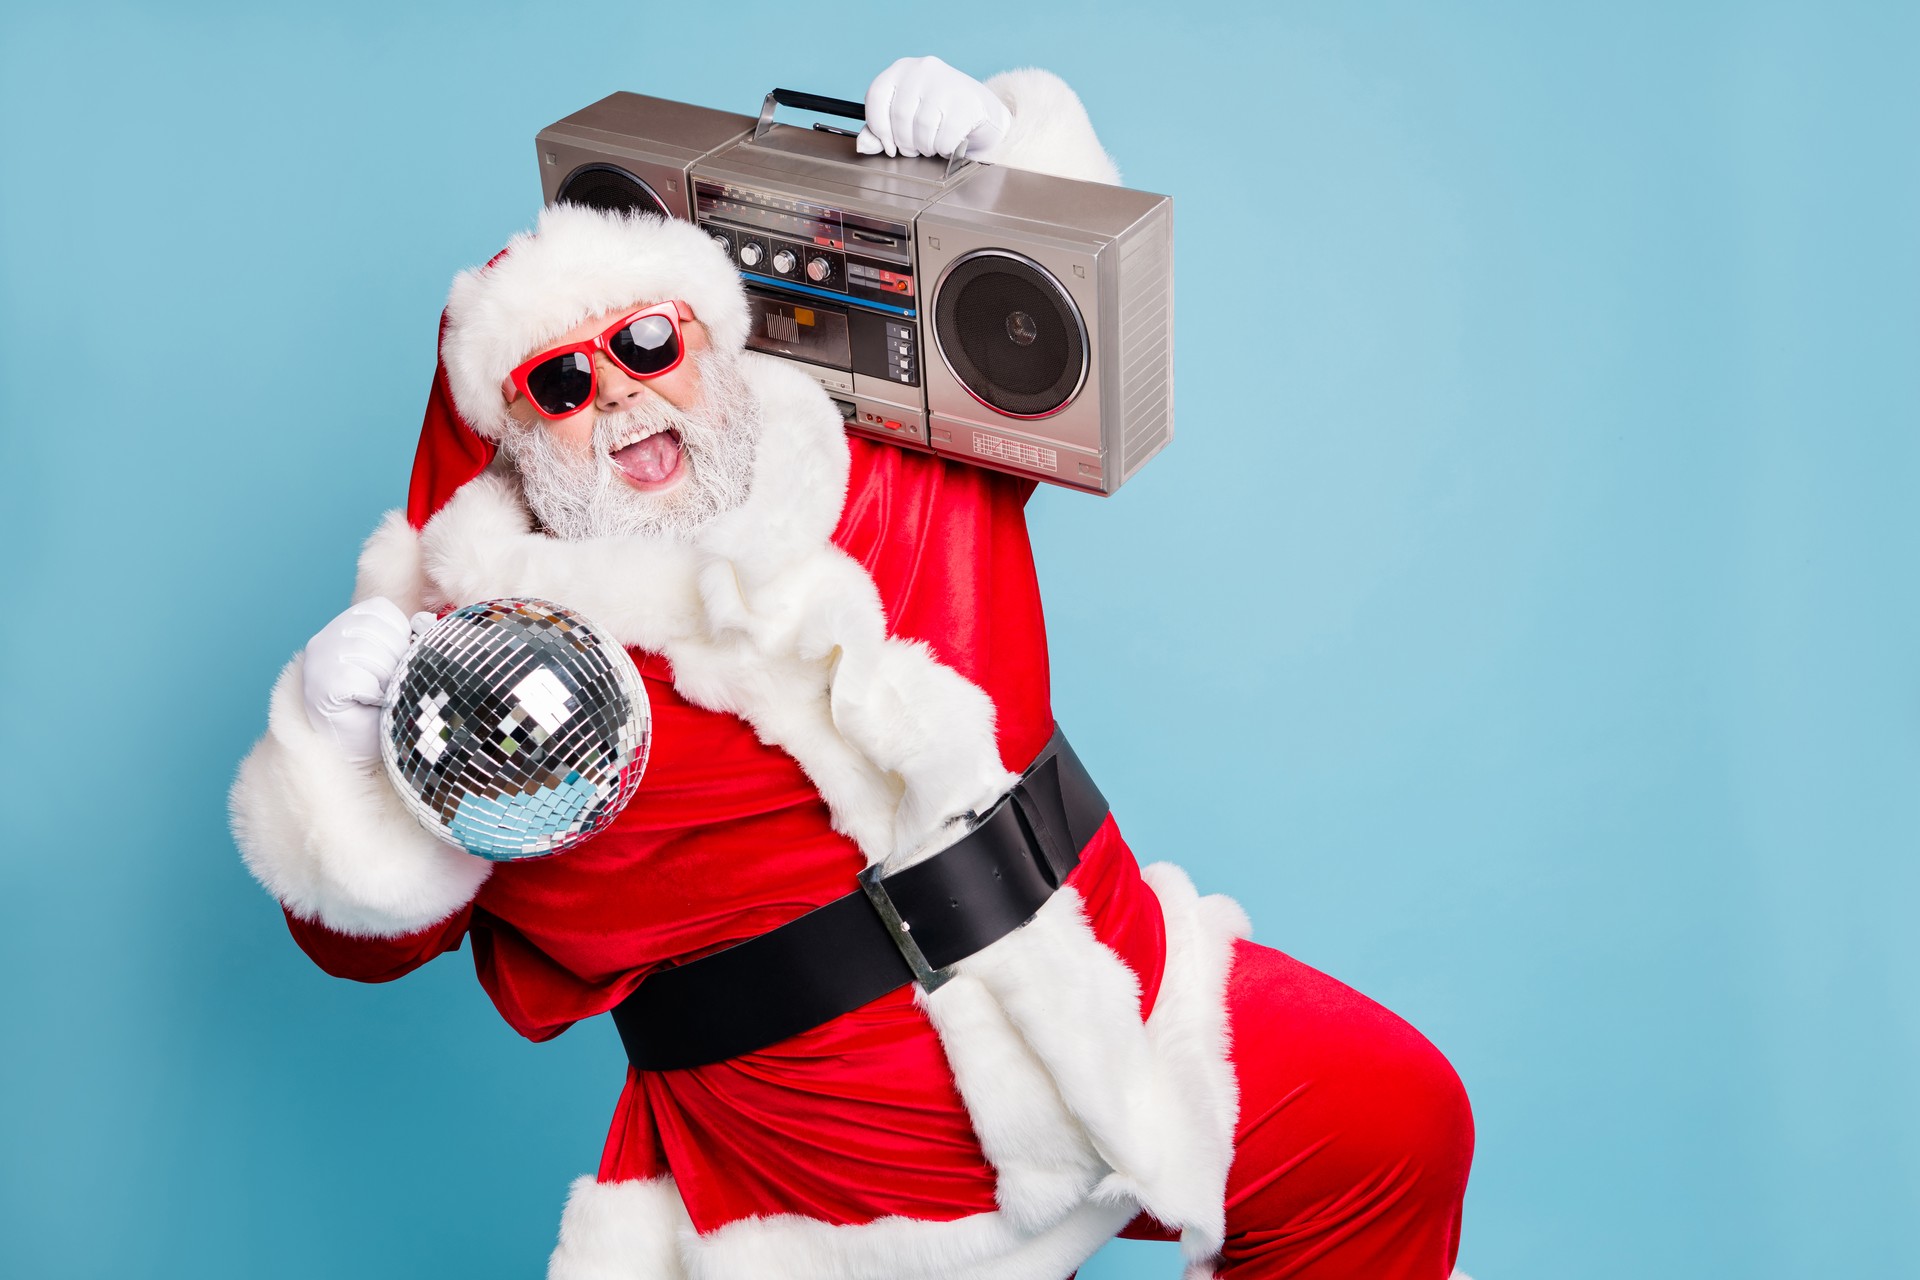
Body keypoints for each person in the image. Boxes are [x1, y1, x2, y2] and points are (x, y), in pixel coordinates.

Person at [230, 57, 1474, 1280]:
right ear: (509, 437)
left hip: (1106, 992)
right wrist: (337, 747)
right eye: (560, 381)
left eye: (649, 342)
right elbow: (369, 936)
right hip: (824, 1161)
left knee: (1390, 1123)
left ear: (711, 340)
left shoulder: (892, 449)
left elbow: (1060, 343)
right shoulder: (494, 672)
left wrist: (996, 174)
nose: (620, 396)